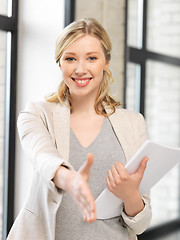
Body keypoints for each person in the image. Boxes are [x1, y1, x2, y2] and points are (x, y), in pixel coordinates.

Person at [7, 18, 151, 240]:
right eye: (70, 58)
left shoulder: (134, 123)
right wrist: (69, 179)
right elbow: (42, 156)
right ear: (60, 63)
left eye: (92, 58)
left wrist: (131, 195)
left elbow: (141, 224)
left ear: (106, 62)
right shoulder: (36, 114)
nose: (80, 69)